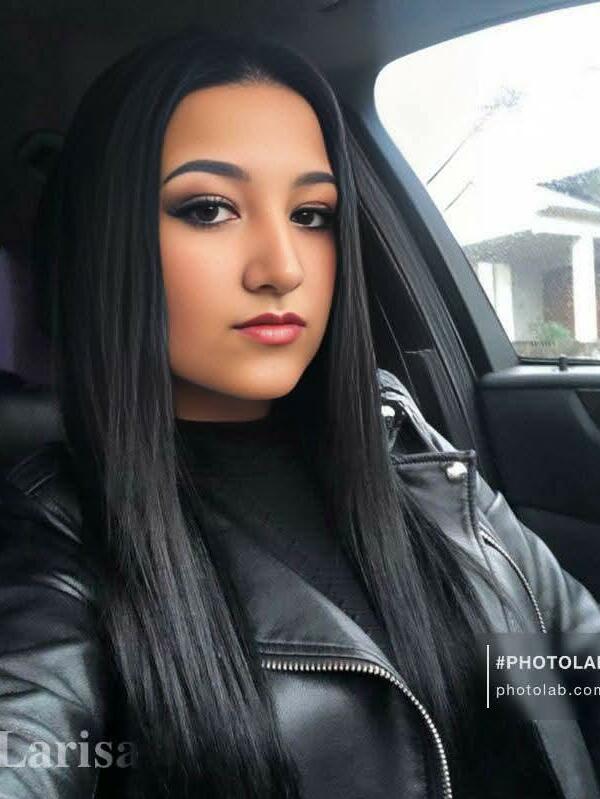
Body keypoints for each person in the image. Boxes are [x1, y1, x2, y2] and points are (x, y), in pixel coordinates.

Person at [0, 27, 599, 799]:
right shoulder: (59, 538)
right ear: (108, 237)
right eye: (209, 208)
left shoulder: (406, 445)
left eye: (312, 214)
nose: (282, 267)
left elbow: (577, 656)